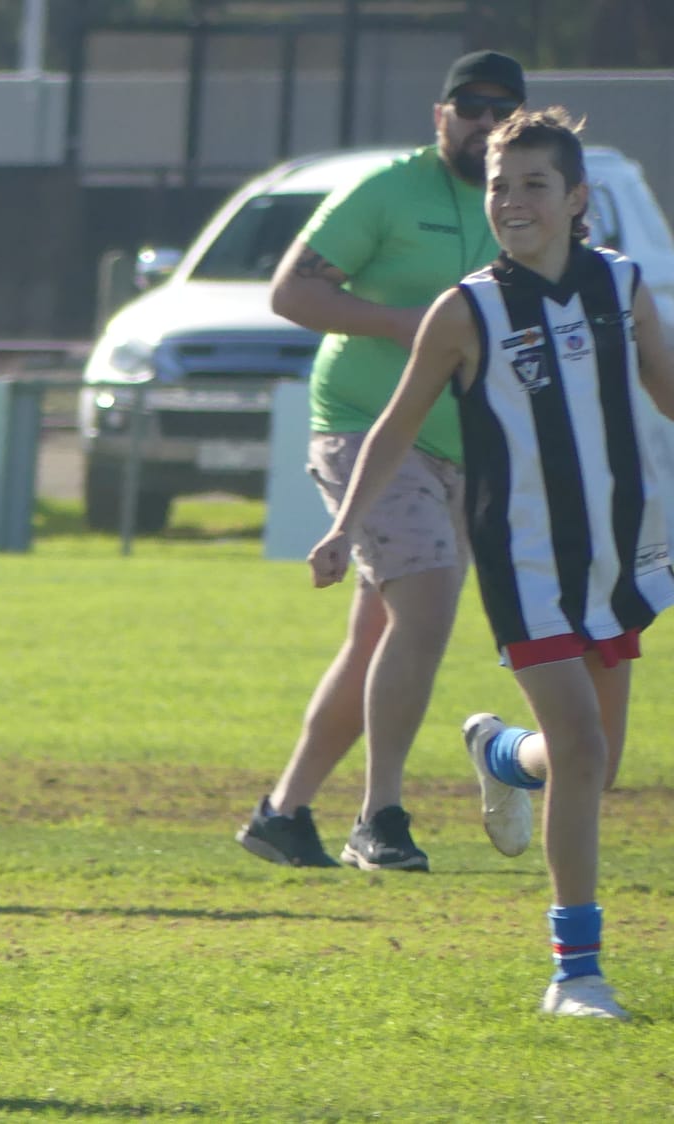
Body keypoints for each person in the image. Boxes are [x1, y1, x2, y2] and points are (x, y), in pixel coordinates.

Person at [310, 107, 674, 1019]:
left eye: (533, 185)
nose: (511, 201)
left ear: (577, 198)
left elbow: (664, 386)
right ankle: (575, 974)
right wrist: (343, 525)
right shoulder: (464, 308)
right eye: (500, 186)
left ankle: (504, 755)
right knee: (587, 750)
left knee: (592, 760)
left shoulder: (623, 286)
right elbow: (393, 425)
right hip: (525, 565)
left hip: (614, 558)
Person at [239, 50, 528, 871]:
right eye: (469, 105)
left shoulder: (525, 203)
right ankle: (380, 819)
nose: (484, 121)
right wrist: (402, 323)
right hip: (366, 427)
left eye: (501, 108)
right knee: (427, 611)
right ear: (440, 115)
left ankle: (283, 813)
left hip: (463, 448)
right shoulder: (388, 191)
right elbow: (291, 293)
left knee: (377, 639)